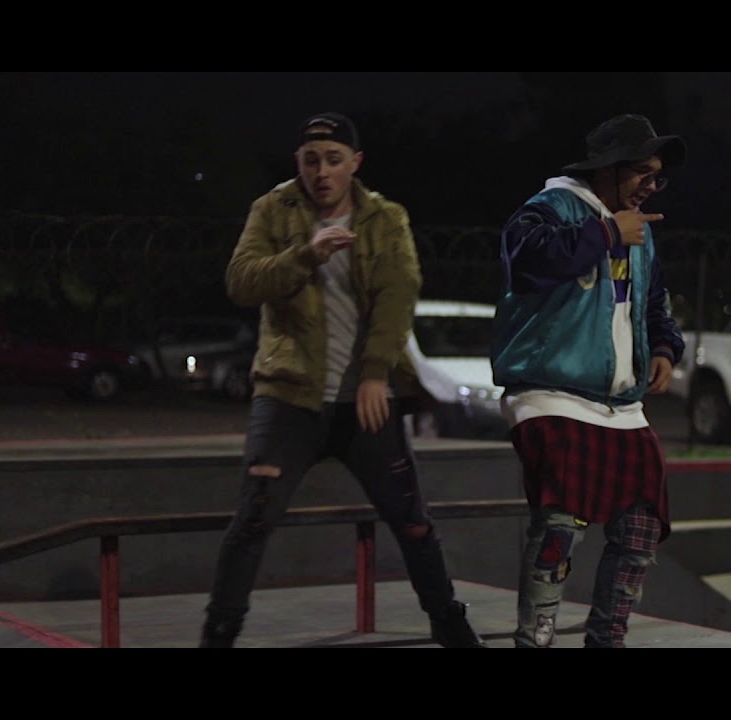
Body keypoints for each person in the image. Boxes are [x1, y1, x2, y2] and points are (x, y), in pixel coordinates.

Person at [199, 112, 487, 648]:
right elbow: (241, 281)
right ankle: (217, 634)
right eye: (311, 161)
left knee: (413, 522)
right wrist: (305, 255)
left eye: (333, 160)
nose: (322, 172)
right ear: (298, 163)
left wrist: (376, 373)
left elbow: (398, 297)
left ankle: (452, 627)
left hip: (366, 403)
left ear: (355, 163)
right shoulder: (273, 209)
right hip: (290, 395)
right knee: (254, 517)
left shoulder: (385, 218)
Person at [490, 113, 687, 648]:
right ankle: (536, 638)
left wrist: (664, 348)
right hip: (550, 393)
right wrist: (606, 233)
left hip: (620, 405)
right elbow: (525, 260)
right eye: (641, 172)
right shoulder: (550, 207)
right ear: (607, 169)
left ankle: (606, 639)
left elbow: (654, 304)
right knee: (562, 521)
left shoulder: (639, 230)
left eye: (657, 176)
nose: (651, 185)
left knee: (642, 524)